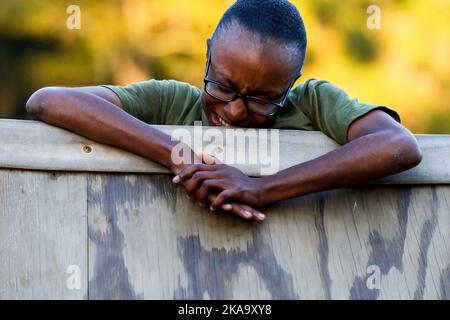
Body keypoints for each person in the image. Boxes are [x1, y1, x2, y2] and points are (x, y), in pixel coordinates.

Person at [26, 0, 422, 222]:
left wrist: (263, 188)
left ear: (292, 82)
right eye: (224, 86)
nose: (234, 111)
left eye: (262, 99)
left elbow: (398, 146)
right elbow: (48, 101)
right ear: (207, 54)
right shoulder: (172, 101)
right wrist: (180, 156)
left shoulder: (314, 102)